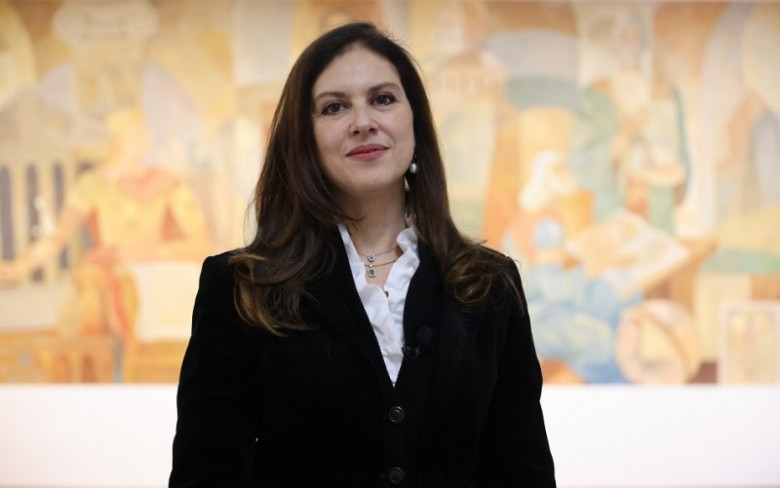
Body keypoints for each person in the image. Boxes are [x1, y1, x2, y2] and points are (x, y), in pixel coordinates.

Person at [170, 22, 555, 487]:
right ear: (304, 139)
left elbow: (521, 470)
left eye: (383, 99)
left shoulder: (490, 284)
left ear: (415, 122)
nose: (363, 122)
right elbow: (206, 473)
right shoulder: (240, 288)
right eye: (334, 107)